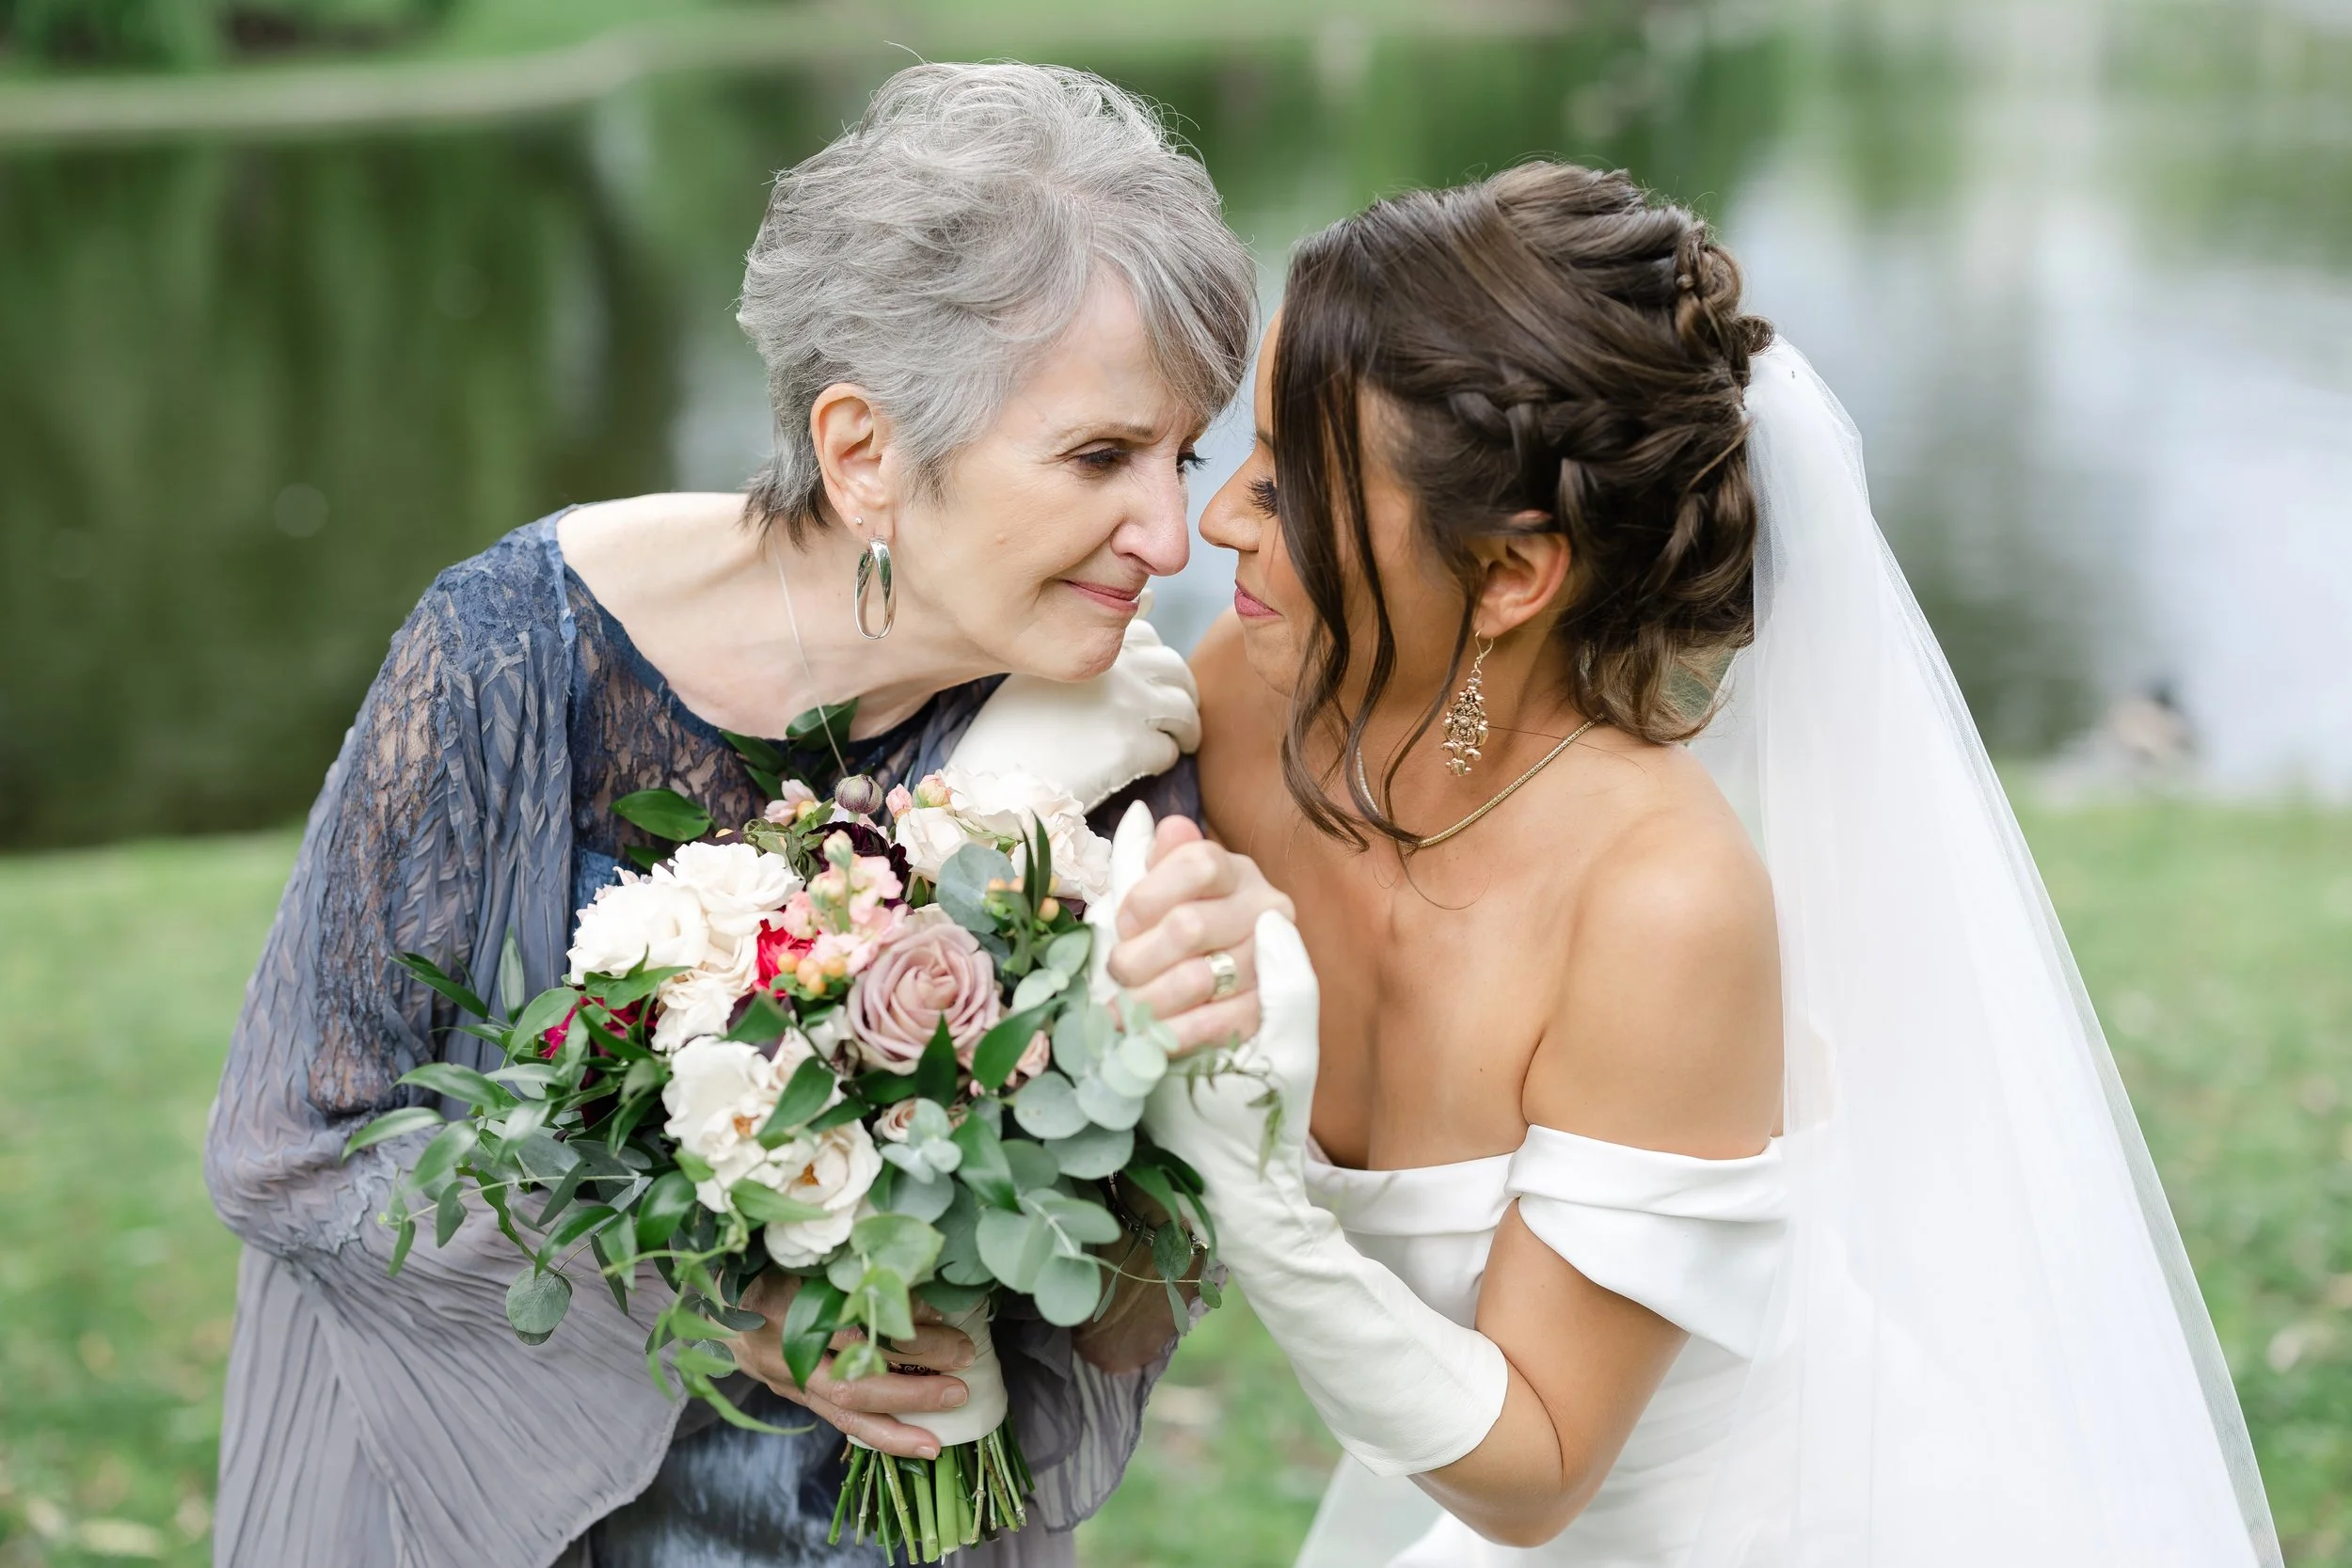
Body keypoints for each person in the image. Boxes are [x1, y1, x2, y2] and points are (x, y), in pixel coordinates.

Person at [1099, 165, 2280, 1565]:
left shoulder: (1660, 904)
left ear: (1512, 575)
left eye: (1290, 486)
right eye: (1244, 455)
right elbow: (1119, 1254)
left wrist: (1255, 1194)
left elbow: (1537, 1473)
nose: (1218, 520)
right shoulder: (1247, 696)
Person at [203, 63, 1255, 1568]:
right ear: (864, 450)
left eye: (1183, 456)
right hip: (488, 1511)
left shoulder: (1109, 731)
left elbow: (1133, 1291)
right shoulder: (514, 654)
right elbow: (291, 1151)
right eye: (1102, 457)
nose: (1169, 533)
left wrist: (1193, 1062)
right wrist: (733, 1304)